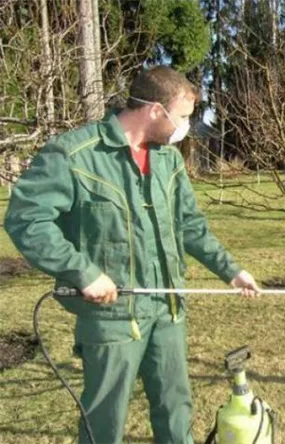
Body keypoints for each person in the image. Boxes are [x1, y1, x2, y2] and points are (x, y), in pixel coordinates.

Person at [4, 65, 260, 443]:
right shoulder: (74, 155)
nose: (185, 127)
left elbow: (190, 226)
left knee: (176, 409)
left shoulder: (169, 161)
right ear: (156, 110)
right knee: (104, 422)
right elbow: (27, 220)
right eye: (183, 116)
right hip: (111, 318)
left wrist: (232, 271)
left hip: (168, 309)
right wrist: (82, 272)